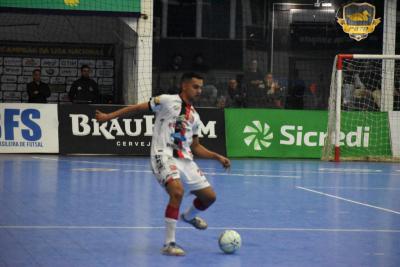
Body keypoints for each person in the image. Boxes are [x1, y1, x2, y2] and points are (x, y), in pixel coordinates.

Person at [95, 72, 231, 256]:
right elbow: (137, 108)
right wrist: (109, 117)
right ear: (184, 86)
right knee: (177, 192)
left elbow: (196, 147)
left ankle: (188, 216)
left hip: (186, 159)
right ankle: (169, 244)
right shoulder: (167, 100)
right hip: (163, 154)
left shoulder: (196, 117)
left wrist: (217, 157)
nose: (199, 90)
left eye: (200, 87)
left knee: (209, 197)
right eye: (195, 86)